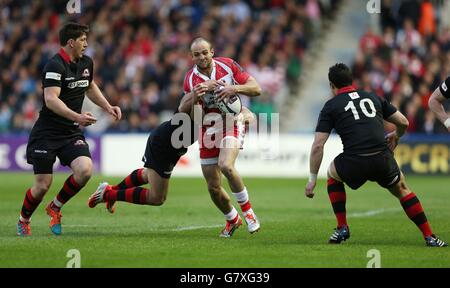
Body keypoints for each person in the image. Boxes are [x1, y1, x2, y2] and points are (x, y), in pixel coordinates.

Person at [304, 63, 447, 247]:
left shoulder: (331, 106)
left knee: (333, 174)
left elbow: (318, 145)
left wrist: (312, 179)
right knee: (403, 189)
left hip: (354, 161)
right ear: (352, 81)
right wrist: (396, 135)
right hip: (382, 157)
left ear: (332, 85)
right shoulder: (372, 97)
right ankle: (429, 236)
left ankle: (342, 227)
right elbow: (403, 121)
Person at [16, 23, 122, 236]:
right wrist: (78, 117)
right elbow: (50, 99)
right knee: (42, 185)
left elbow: (89, 86)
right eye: (83, 40)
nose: (86, 43)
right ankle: (23, 219)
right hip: (47, 133)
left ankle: (55, 207)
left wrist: (108, 106)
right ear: (71, 42)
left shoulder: (86, 62)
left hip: (70, 132)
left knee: (85, 170)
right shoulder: (54, 66)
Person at [87, 84, 256, 217]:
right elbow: (196, 118)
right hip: (164, 145)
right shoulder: (194, 104)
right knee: (157, 198)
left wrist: (237, 115)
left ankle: (111, 190)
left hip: (173, 147)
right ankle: (108, 195)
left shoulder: (211, 106)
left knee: (148, 174)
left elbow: (245, 114)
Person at [183, 37, 262, 237]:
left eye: (204, 52)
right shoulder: (191, 80)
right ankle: (232, 219)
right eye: (196, 54)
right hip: (208, 128)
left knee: (226, 165)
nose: (201, 57)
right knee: (213, 187)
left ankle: (249, 213)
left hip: (232, 121)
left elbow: (256, 88)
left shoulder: (227, 65)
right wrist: (195, 95)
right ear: (192, 57)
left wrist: (232, 88)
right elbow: (191, 116)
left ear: (212, 51)